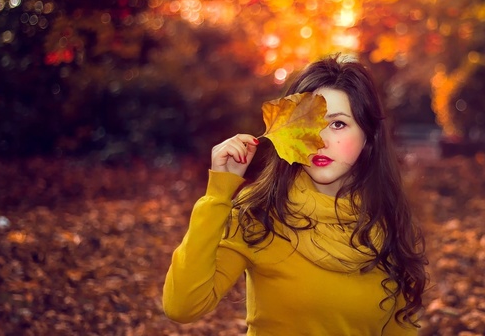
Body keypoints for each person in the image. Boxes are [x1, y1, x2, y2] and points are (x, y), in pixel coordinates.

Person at [163, 55, 427, 335]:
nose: (320, 140)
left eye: (338, 124)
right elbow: (182, 306)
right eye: (310, 124)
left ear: (367, 136)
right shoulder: (259, 213)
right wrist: (218, 193)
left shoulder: (388, 222)